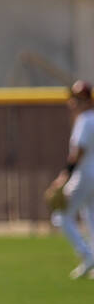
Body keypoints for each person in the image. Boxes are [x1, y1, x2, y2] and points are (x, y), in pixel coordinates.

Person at [50, 80, 94, 279]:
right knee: (90, 216)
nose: (72, 102)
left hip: (84, 174)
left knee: (61, 216)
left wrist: (64, 176)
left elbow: (79, 152)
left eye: (76, 98)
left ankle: (87, 254)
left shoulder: (85, 120)